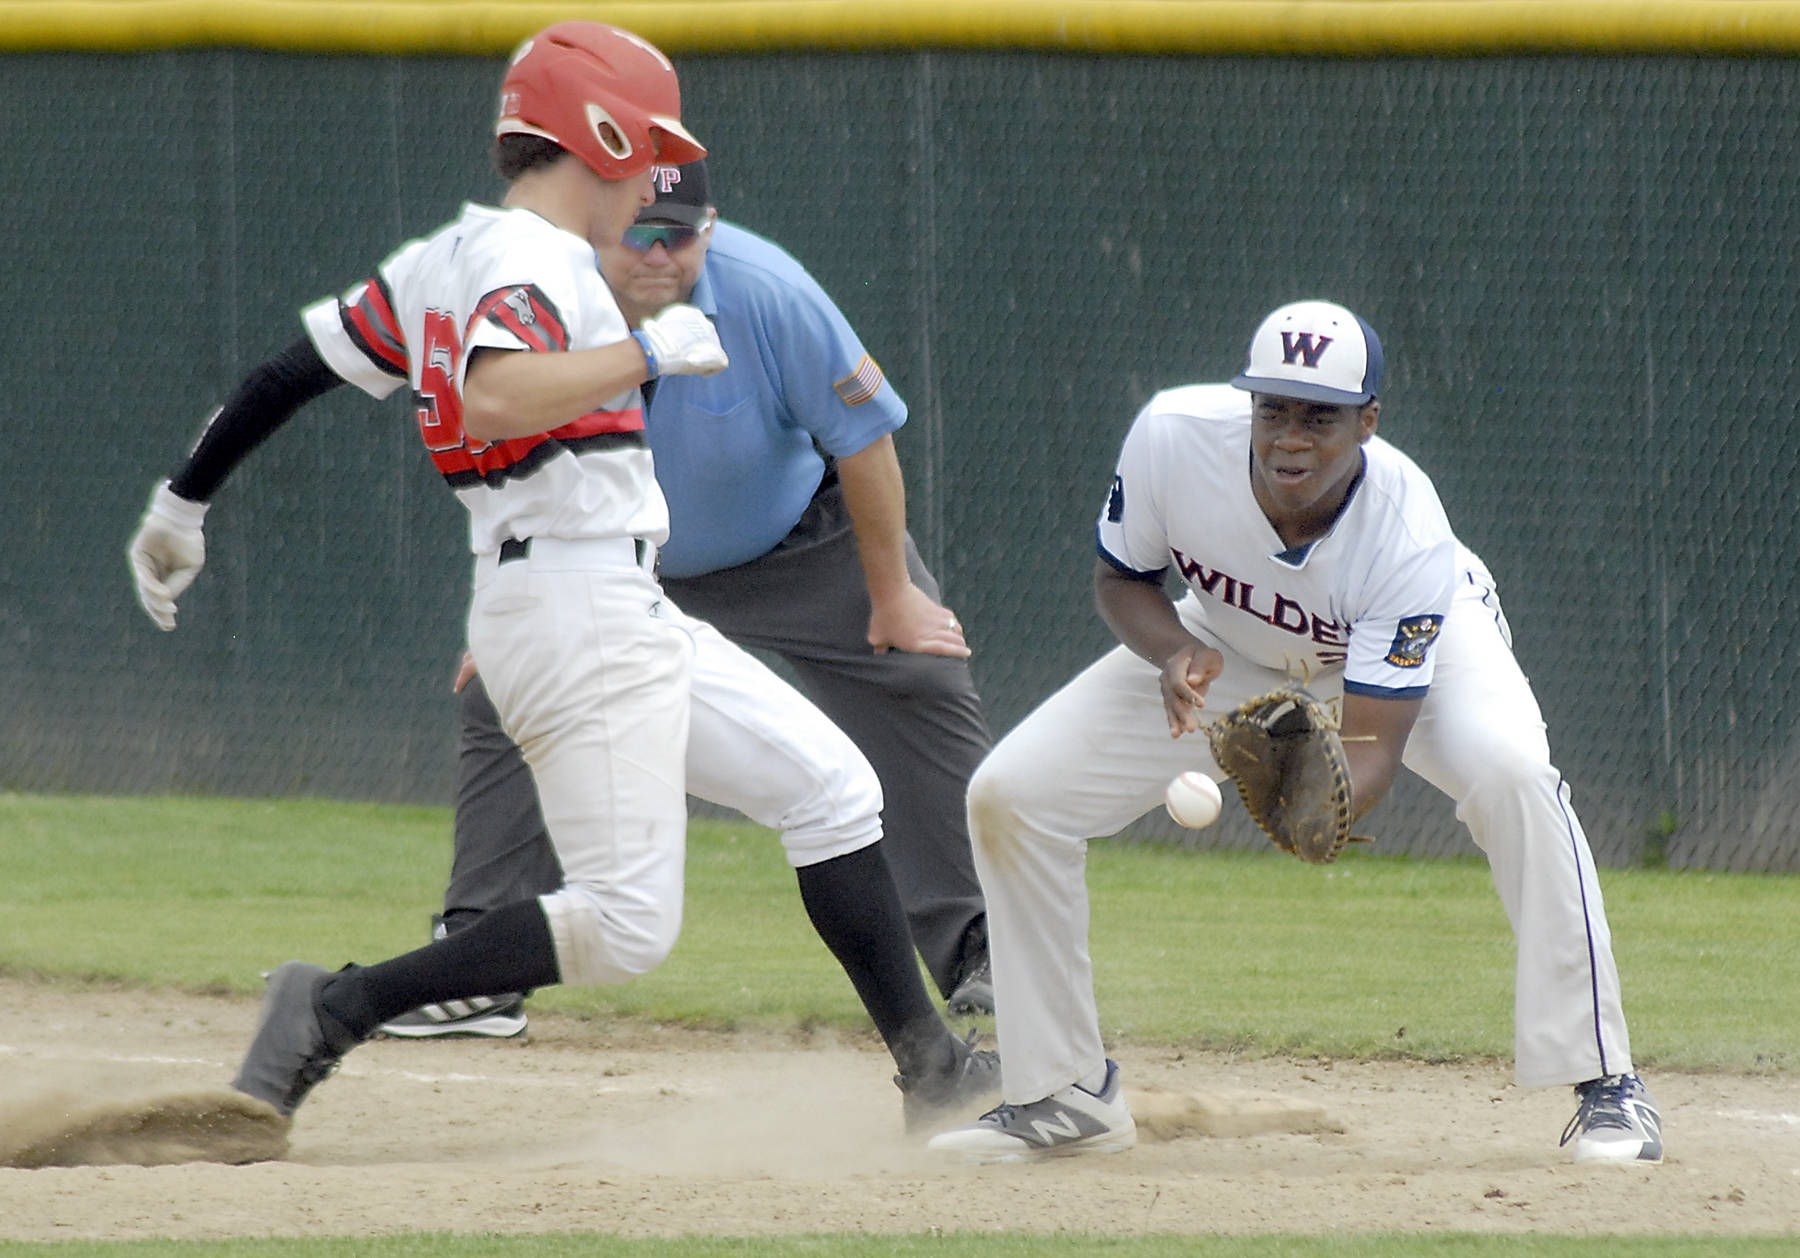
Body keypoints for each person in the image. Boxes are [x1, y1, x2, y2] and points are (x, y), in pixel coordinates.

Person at [124, 20, 996, 1132]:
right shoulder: (536, 257)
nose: (652, 177)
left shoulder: (442, 257)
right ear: (600, 132)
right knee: (628, 924)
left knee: (831, 789)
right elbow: (496, 393)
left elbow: (290, 371)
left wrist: (180, 502)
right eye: (646, 146)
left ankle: (933, 1069)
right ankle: (334, 1006)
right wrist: (648, 351)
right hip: (577, 600)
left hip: (591, 596)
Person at [926, 300, 1663, 1166]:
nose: (1290, 436)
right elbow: (1121, 579)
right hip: (1227, 641)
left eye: (1320, 416)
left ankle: (1608, 1082)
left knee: (1514, 778)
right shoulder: (1172, 437)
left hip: (1409, 645)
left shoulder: (1406, 527)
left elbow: (1376, 741)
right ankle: (1063, 1094)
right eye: (1273, 408)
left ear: (1368, 421)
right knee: (1013, 796)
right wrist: (1172, 651)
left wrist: (1316, 798)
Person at [377, 158, 997, 1042]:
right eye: (640, 228)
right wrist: (513, 614)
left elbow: (864, 439)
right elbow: (505, 457)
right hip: (618, 559)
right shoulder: (535, 297)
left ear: (712, 228)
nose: (662, 251)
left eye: (683, 231)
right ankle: (478, 957)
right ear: (597, 220)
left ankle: (976, 945)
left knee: (922, 674)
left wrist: (892, 595)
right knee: (497, 696)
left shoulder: (769, 294)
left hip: (791, 540)